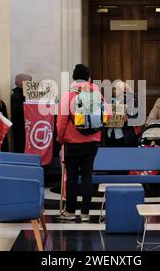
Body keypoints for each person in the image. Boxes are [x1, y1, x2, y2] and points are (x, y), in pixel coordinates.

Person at [57, 64, 102, 222]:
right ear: (89, 78)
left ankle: (70, 211)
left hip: (72, 142)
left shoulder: (67, 96)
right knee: (87, 176)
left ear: (74, 78)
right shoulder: (97, 94)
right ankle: (85, 213)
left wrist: (60, 139)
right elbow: (106, 116)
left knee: (72, 176)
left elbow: (61, 122)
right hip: (92, 142)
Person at [105, 80, 138, 147]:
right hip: (110, 135)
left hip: (123, 136)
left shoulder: (130, 101)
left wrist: (127, 119)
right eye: (114, 88)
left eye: (118, 88)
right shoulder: (109, 100)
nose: (115, 90)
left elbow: (135, 116)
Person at [11, 73, 31, 153]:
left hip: (28, 126)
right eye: (28, 82)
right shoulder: (15, 96)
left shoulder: (28, 94)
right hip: (20, 128)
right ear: (21, 83)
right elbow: (16, 113)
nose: (30, 84)